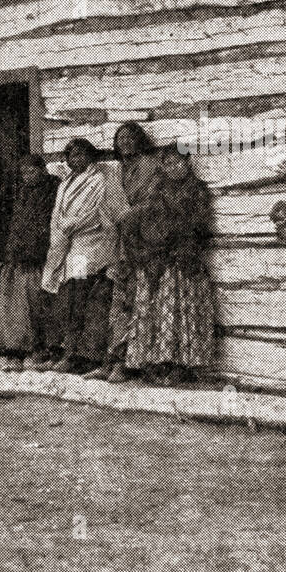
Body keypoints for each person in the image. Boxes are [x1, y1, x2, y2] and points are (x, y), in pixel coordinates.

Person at [118, 143, 217, 385]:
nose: (173, 168)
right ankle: (155, 362)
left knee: (180, 311)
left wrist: (177, 238)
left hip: (182, 257)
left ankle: (181, 364)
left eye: (178, 162)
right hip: (156, 256)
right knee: (154, 309)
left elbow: (200, 226)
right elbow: (140, 219)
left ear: (188, 163)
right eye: (168, 164)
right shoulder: (156, 190)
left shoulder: (197, 190)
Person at [85, 121, 163, 383]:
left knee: (136, 301)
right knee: (116, 302)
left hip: (143, 242)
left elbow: (154, 201)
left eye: (131, 137)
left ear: (140, 140)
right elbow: (104, 202)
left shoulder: (151, 166)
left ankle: (129, 363)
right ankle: (111, 361)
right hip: (117, 244)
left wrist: (129, 214)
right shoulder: (115, 171)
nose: (125, 142)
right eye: (121, 138)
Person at [39, 138, 115, 374]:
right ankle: (70, 352)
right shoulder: (65, 184)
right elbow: (57, 218)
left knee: (83, 297)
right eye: (72, 156)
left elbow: (91, 214)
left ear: (90, 157)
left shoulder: (98, 181)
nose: (76, 160)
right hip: (69, 249)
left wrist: (67, 225)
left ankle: (84, 356)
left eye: (81, 155)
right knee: (70, 299)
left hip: (89, 247)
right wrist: (59, 234)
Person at [0, 152, 58, 366]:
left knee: (38, 303)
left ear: (43, 170)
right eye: (24, 173)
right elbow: (14, 223)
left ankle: (41, 348)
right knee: (15, 306)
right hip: (18, 256)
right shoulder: (21, 193)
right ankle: (15, 352)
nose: (28, 176)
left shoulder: (53, 189)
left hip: (40, 256)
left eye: (32, 171)